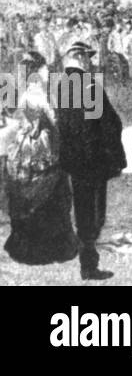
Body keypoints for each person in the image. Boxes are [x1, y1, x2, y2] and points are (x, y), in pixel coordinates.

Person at [55, 41, 126, 280]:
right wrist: (114, 158)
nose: (91, 61)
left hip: (74, 161)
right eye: (88, 57)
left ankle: (87, 262)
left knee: (83, 211)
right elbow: (104, 126)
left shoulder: (62, 86)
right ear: (80, 58)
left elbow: (65, 126)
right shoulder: (89, 86)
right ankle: (89, 265)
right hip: (93, 160)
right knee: (95, 214)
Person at [3, 52, 78, 266]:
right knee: (52, 190)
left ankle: (26, 245)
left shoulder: (25, 91)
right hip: (44, 145)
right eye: (45, 68)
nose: (48, 72)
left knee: (26, 189)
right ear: (40, 69)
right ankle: (51, 247)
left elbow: (19, 116)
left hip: (25, 144)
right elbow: (54, 119)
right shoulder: (42, 93)